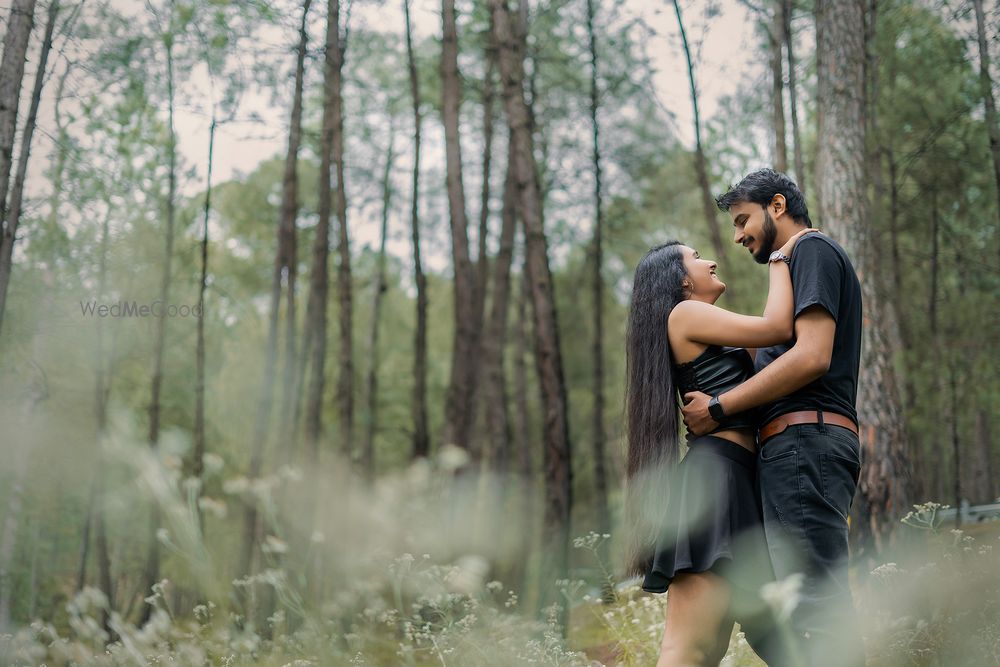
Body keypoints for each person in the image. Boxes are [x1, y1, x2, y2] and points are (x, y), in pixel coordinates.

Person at [682, 168, 865, 666]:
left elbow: (811, 356)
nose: (738, 235)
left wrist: (719, 406)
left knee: (817, 609)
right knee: (791, 610)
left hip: (806, 439)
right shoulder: (794, 261)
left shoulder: (812, 250)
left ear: (777, 206)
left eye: (743, 220)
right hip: (800, 447)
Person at [624, 226, 816, 667]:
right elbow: (777, 326)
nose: (709, 260)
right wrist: (781, 259)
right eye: (696, 256)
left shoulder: (708, 325)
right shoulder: (685, 314)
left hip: (741, 480)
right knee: (690, 651)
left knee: (779, 644)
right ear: (682, 280)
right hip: (714, 481)